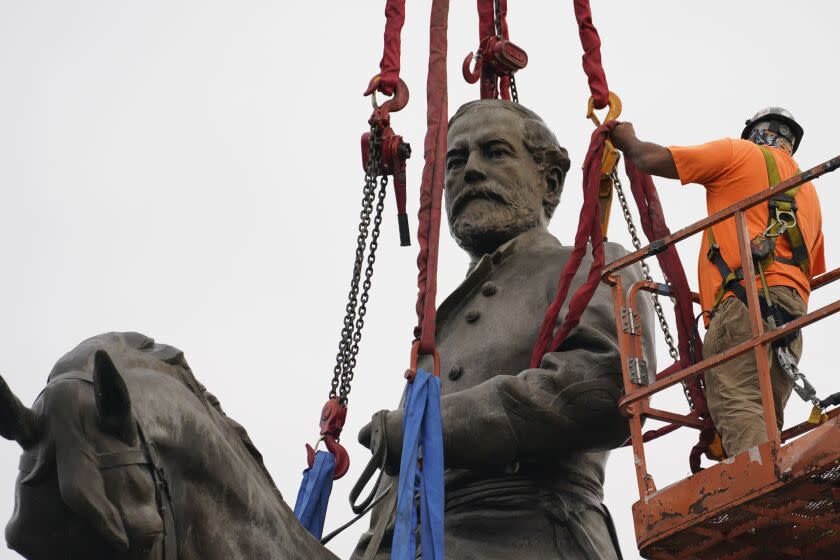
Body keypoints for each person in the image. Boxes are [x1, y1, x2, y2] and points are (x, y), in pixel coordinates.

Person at [351, 100, 654, 560]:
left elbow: (602, 389)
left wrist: (429, 426)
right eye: (456, 161)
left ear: (550, 182)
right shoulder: (439, 326)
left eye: (494, 152)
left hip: (531, 536)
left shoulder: (593, 264)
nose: (470, 170)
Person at [610, 108, 826, 458]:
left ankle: (755, 482)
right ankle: (766, 467)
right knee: (766, 410)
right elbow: (811, 268)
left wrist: (626, 139)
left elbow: (649, 159)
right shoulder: (808, 190)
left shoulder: (738, 154)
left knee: (736, 398)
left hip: (745, 301)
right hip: (793, 312)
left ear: (753, 133)